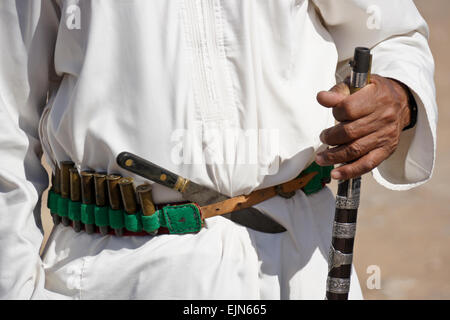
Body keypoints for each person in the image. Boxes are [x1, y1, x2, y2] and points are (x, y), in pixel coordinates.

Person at [0, 0, 436, 299]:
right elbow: (7, 126)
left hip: (302, 260)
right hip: (120, 268)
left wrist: (396, 96)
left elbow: (390, 35)